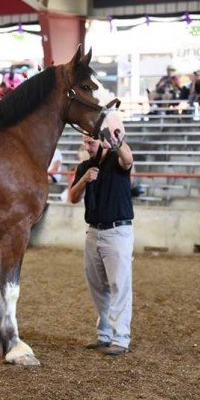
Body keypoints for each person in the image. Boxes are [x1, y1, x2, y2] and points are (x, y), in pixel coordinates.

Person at [70, 125, 134, 356]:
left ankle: (121, 338)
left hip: (117, 231)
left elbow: (128, 160)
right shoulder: (85, 167)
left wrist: (117, 142)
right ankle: (105, 334)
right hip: (94, 231)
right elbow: (72, 197)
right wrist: (84, 180)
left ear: (102, 142)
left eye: (91, 143)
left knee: (119, 285)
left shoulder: (116, 159)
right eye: (85, 143)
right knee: (97, 286)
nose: (87, 148)